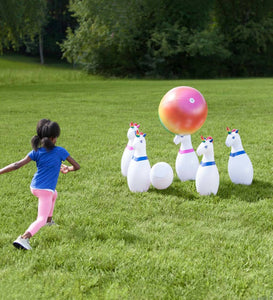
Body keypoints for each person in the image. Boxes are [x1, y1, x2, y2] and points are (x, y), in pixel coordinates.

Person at [0, 119, 80, 250]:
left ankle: (49, 222)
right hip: (45, 190)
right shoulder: (60, 151)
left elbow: (16, 165)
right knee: (40, 218)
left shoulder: (36, 151)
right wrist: (68, 169)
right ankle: (23, 238)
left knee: (54, 194)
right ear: (54, 138)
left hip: (35, 186)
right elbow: (76, 166)